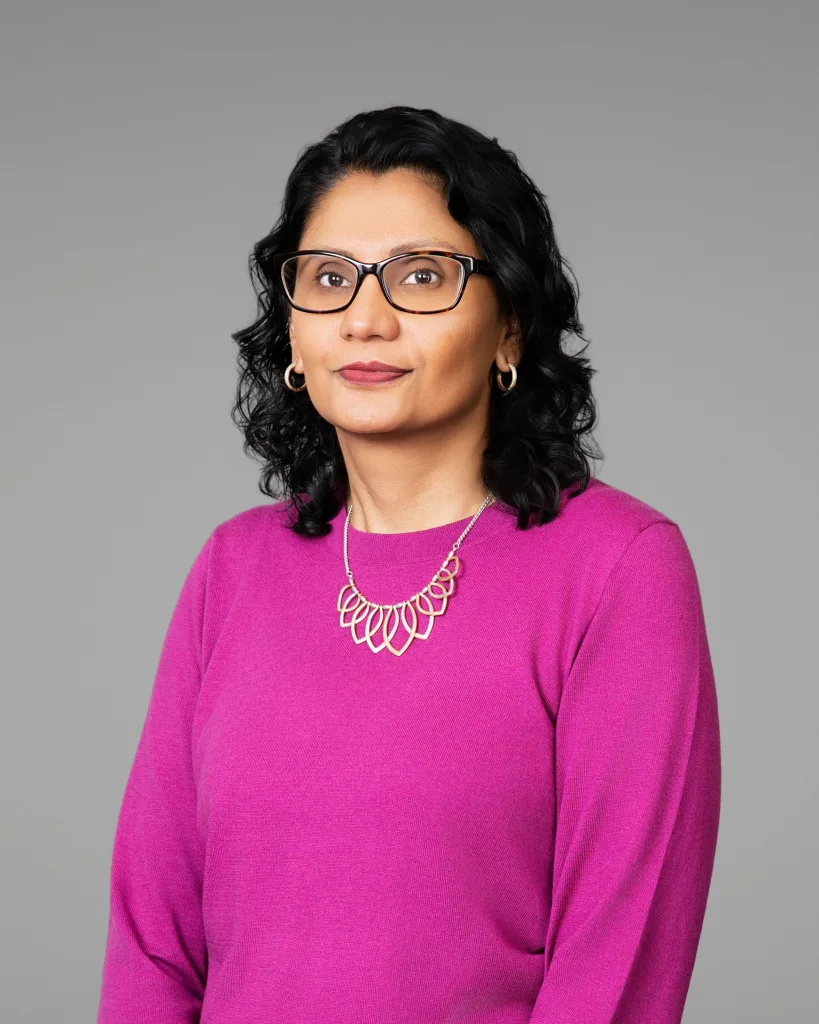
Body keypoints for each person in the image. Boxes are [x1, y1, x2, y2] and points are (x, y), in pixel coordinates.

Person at [96, 105, 721, 1024]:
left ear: (509, 327)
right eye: (330, 278)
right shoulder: (234, 569)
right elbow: (152, 943)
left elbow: (617, 965)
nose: (367, 319)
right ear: (295, 335)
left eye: (422, 276)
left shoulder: (616, 567)